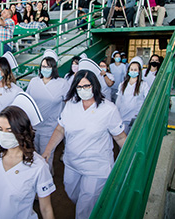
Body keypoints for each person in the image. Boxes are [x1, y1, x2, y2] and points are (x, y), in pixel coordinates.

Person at [42, 63, 127, 219]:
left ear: (94, 86)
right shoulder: (71, 106)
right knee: (72, 193)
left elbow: (120, 137)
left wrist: (129, 159)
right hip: (72, 163)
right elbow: (60, 129)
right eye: (79, 87)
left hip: (96, 167)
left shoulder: (109, 109)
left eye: (87, 86)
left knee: (84, 207)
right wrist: (47, 151)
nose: (83, 90)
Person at [0, 102, 55, 219]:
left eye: (9, 130)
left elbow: (46, 209)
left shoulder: (38, 166)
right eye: (0, 129)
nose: (3, 134)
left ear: (21, 132)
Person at [26, 49, 68, 172]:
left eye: (49, 66)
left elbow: (68, 103)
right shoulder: (34, 82)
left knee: (46, 157)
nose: (45, 69)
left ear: (54, 68)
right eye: (43, 66)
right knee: (34, 156)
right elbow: (28, 101)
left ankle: (47, 181)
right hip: (34, 127)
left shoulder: (62, 83)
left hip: (51, 127)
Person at [116, 57, 149, 135]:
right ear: (128, 70)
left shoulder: (143, 85)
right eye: (131, 69)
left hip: (136, 118)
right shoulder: (122, 84)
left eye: (135, 70)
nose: (133, 71)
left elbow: (147, 100)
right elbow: (118, 101)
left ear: (139, 71)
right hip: (123, 117)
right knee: (124, 141)